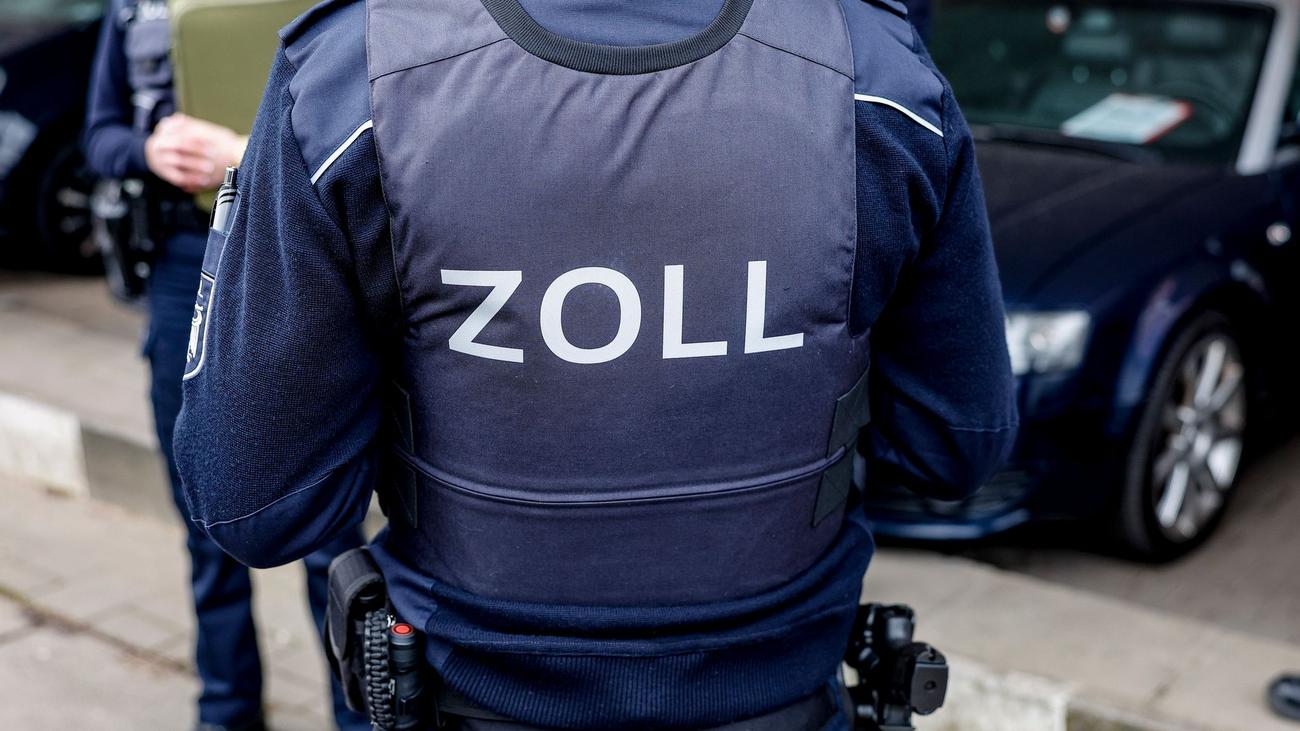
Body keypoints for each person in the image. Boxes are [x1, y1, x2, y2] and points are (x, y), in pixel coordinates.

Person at [174, 0, 1018, 728]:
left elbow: (252, 501)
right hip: (786, 699)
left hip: (470, 698)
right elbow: (958, 445)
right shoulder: (876, 73)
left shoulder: (352, 76)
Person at [82, 1, 368, 729]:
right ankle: (226, 709)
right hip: (186, 263)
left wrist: (249, 152)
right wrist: (148, 151)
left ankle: (357, 712)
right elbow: (100, 134)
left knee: (327, 521)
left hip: (303, 260)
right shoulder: (133, 8)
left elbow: (384, 125)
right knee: (202, 517)